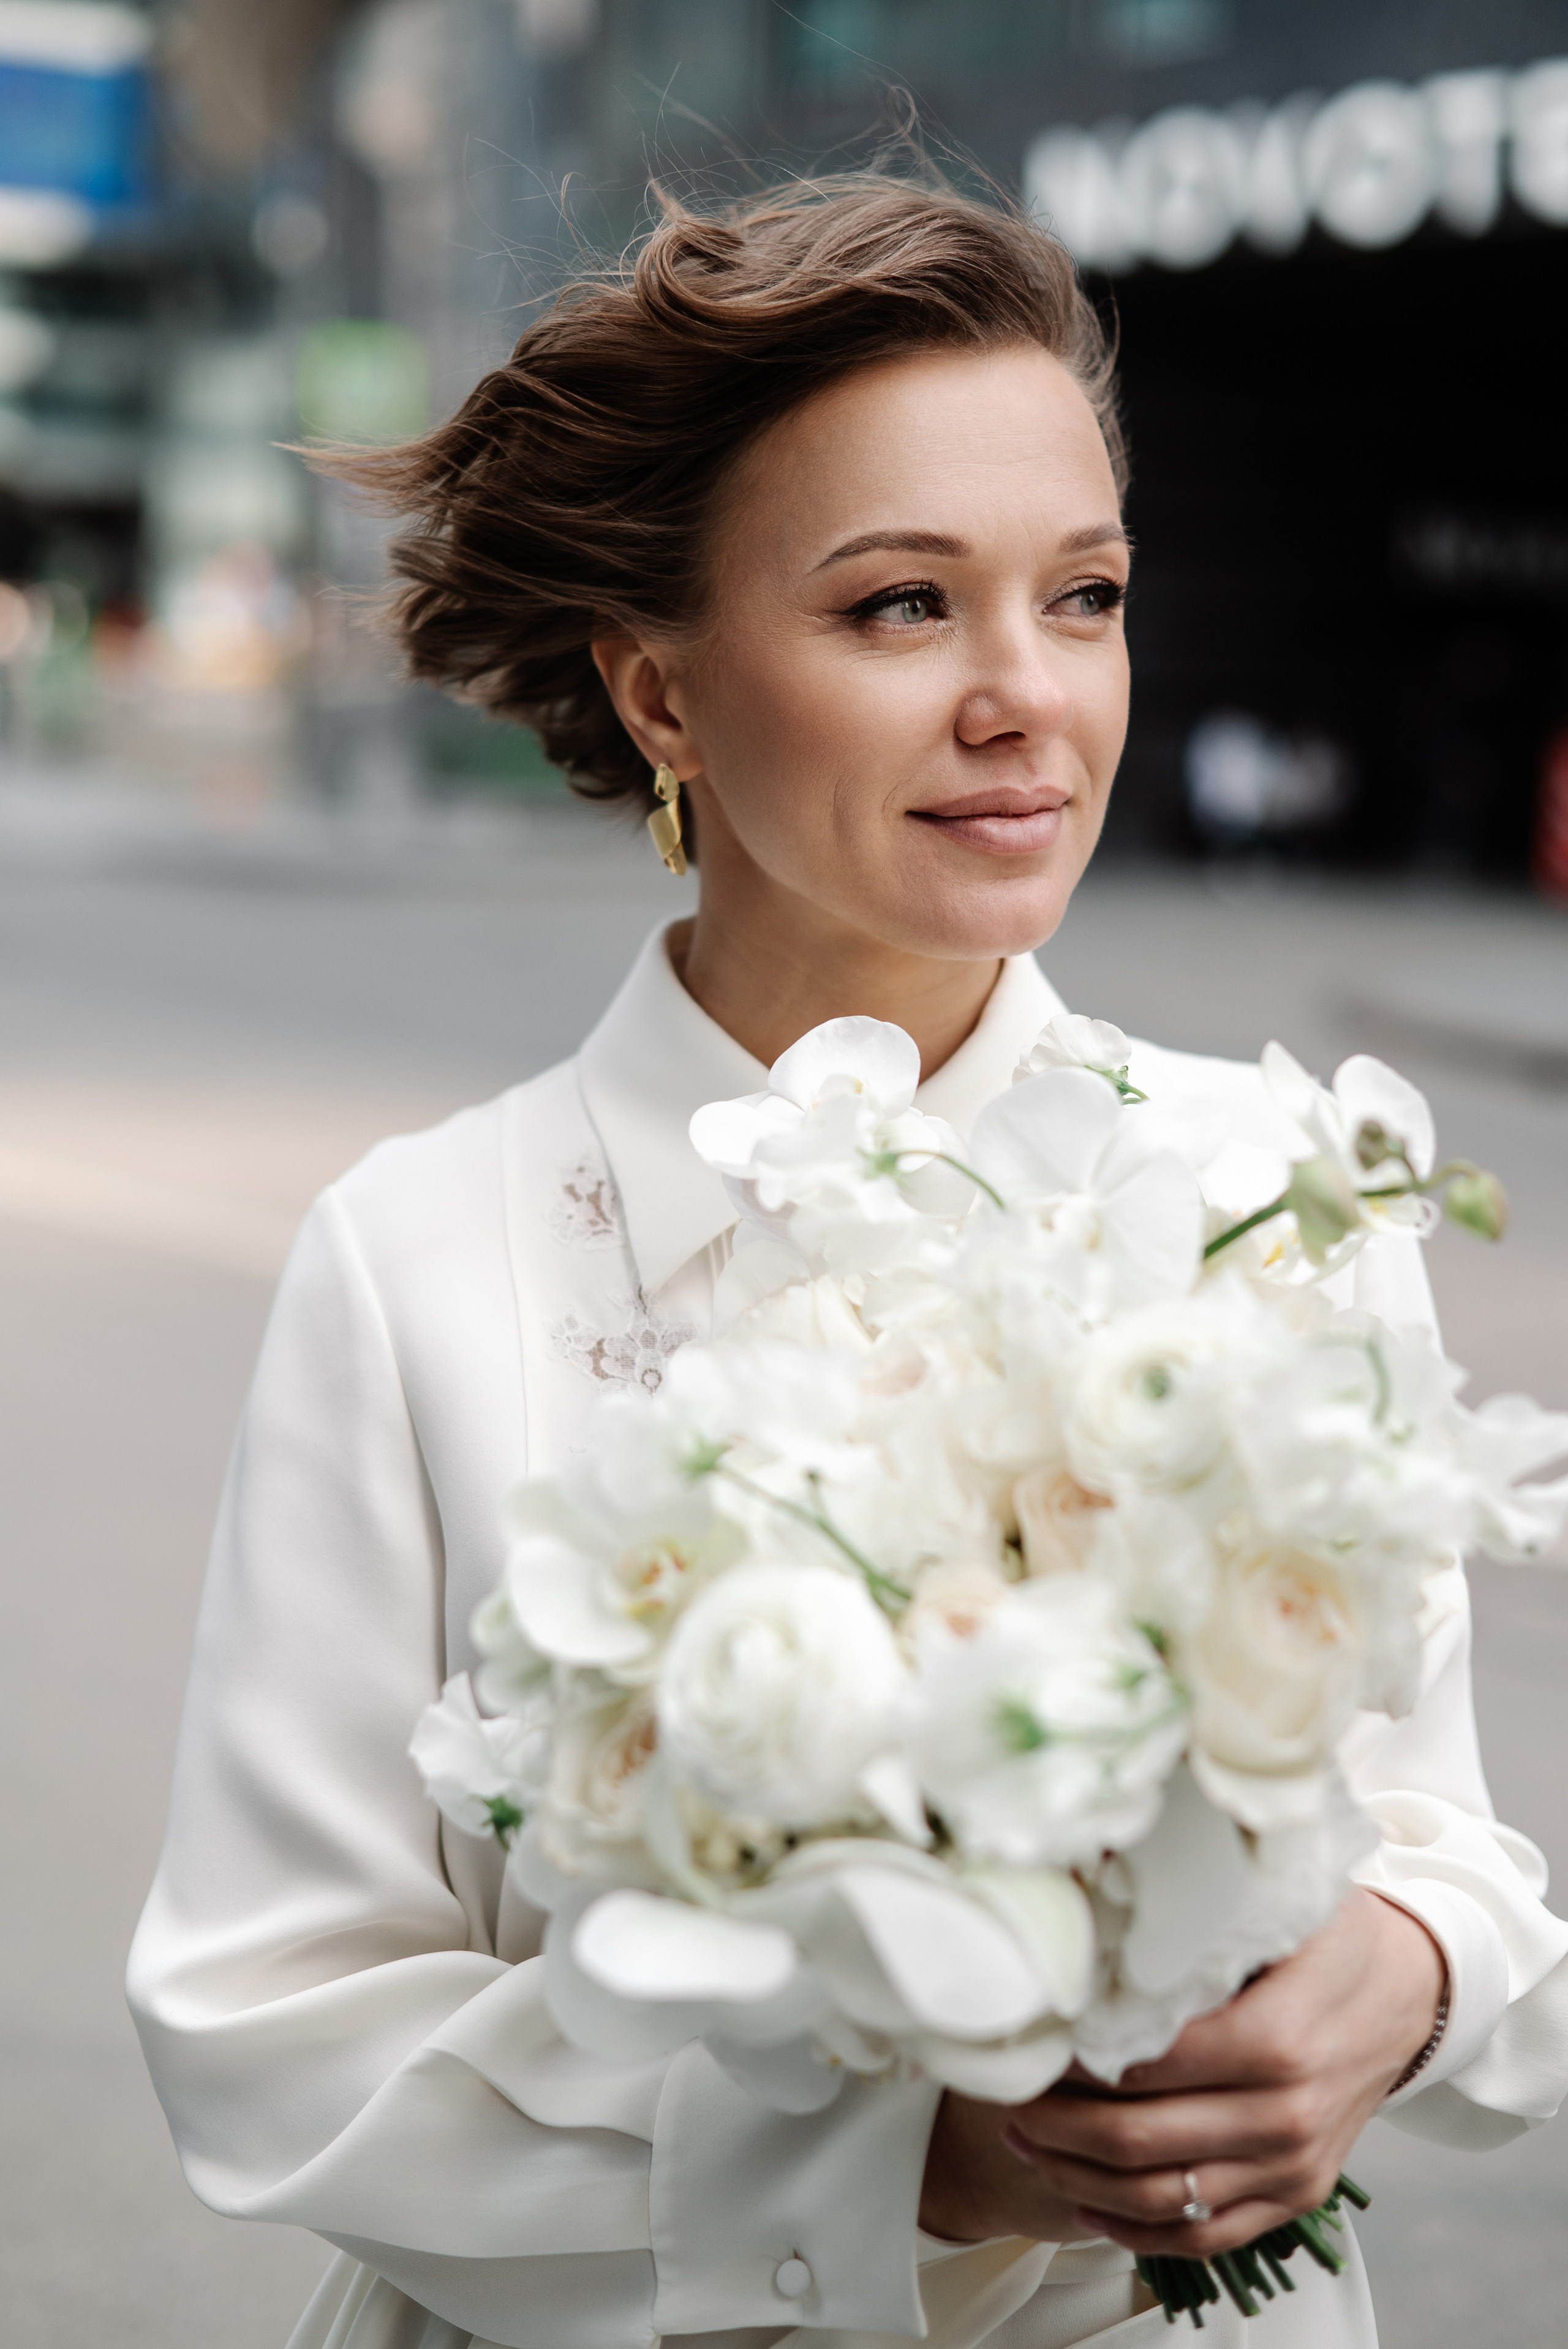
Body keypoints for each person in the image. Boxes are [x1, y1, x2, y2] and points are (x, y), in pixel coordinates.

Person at [128, 175, 1568, 2349]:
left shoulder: (1275, 1178)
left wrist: (1410, 1972)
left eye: (1081, 598)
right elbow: (268, 2024)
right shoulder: (420, 1257)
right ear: (666, 697)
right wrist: (882, 2162)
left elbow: (1433, 1824)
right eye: (904, 605)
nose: (1028, 699)